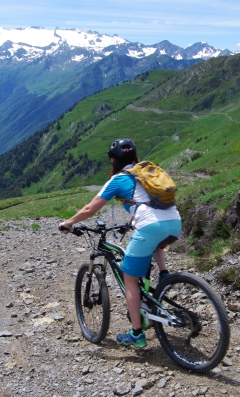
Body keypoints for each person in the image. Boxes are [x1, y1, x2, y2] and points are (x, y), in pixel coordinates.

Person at [59, 139, 182, 349]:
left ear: (114, 160)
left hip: (150, 226)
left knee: (130, 279)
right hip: (175, 223)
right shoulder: (145, 173)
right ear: (134, 157)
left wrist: (69, 223)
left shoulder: (118, 180)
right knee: (153, 242)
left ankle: (136, 334)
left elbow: (90, 209)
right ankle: (164, 275)